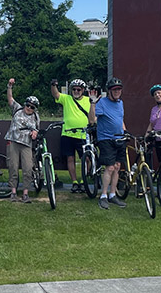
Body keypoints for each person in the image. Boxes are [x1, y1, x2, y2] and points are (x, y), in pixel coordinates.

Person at [51, 78, 94, 192]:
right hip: (67, 133)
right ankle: (74, 182)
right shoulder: (67, 99)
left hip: (83, 134)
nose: (76, 91)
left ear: (83, 90)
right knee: (70, 158)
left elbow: (93, 116)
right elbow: (56, 95)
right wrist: (53, 85)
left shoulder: (88, 100)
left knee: (86, 159)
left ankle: (84, 180)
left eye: (78, 89)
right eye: (74, 89)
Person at [90, 77, 127, 209]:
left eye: (119, 89)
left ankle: (112, 194)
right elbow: (92, 120)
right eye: (114, 89)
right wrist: (93, 104)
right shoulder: (102, 103)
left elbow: (120, 119)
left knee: (117, 166)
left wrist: (125, 130)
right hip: (106, 138)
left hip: (119, 138)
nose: (117, 92)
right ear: (109, 91)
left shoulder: (120, 103)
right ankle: (103, 195)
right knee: (110, 167)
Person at [5, 78, 39, 203]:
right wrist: (9, 86)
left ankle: (25, 193)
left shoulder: (36, 117)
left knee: (28, 168)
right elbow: (10, 98)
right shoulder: (17, 109)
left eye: (32, 107)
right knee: (13, 166)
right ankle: (13, 192)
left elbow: (36, 129)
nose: (29, 108)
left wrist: (34, 133)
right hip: (13, 141)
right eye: (28, 105)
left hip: (26, 144)